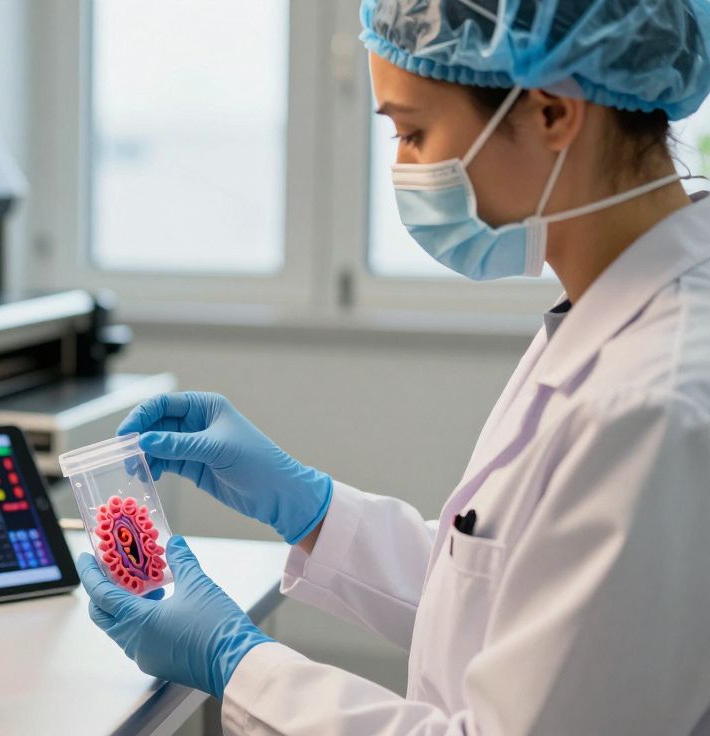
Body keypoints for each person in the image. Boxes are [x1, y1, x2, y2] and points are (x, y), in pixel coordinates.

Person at [76, 1, 710, 733]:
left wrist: (236, 661)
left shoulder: (652, 402)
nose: (403, 168)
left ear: (552, 111)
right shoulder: (612, 310)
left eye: (413, 132)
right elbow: (509, 606)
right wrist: (314, 511)